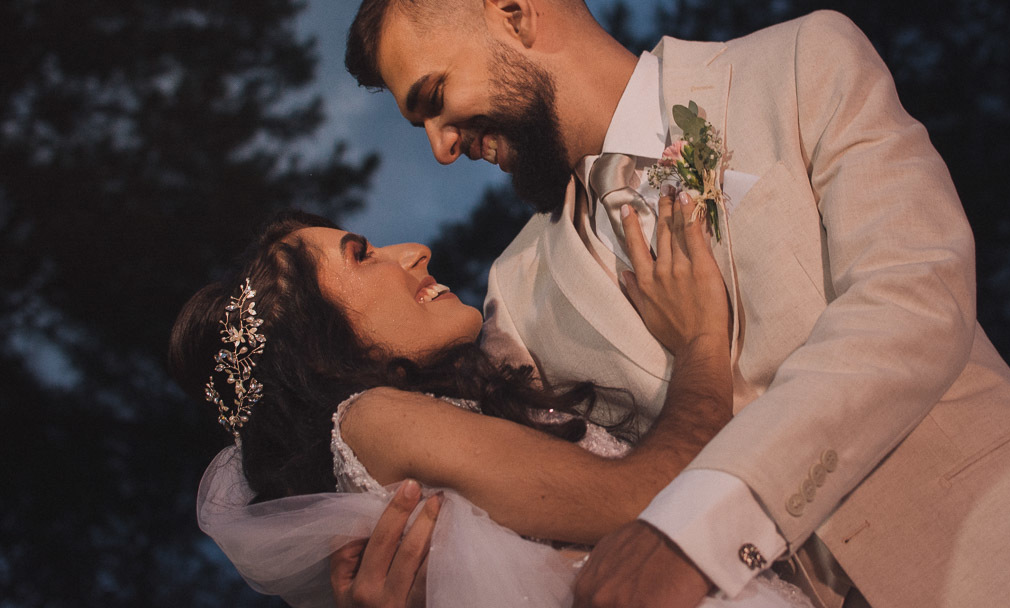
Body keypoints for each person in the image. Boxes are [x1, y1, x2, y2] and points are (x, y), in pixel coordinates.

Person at [341, 0, 1010, 608]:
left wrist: (700, 529)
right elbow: (542, 515)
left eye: (435, 98)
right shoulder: (517, 295)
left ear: (512, 14)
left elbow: (916, 298)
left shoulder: (797, 67)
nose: (442, 148)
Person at [171, 207, 814, 607]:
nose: (413, 252)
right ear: (317, 345)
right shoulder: (370, 420)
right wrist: (702, 340)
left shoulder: (419, 430)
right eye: (361, 256)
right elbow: (641, 497)